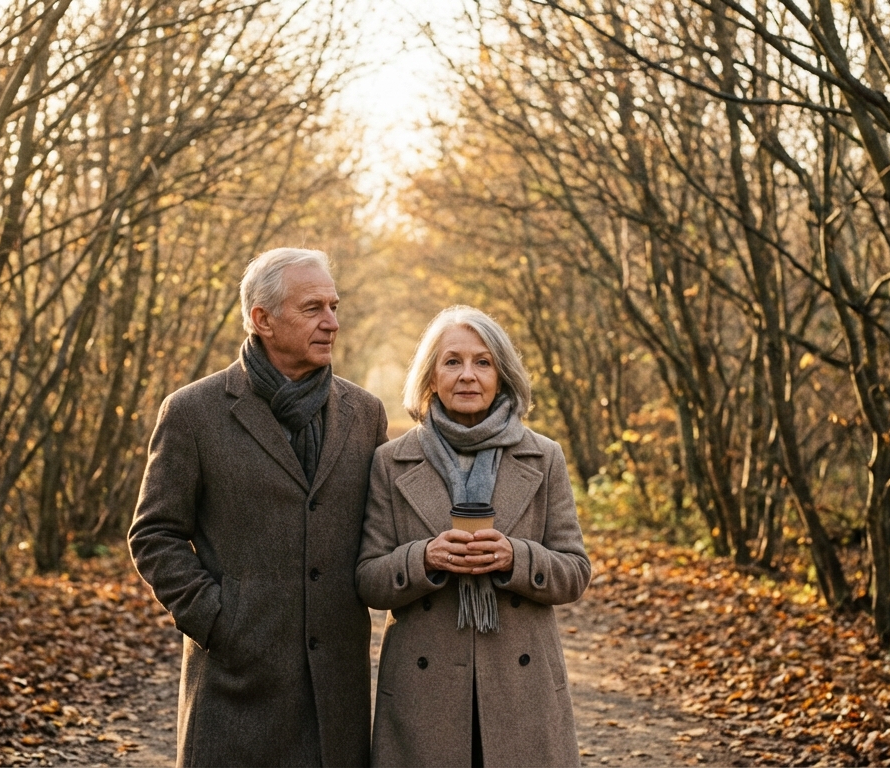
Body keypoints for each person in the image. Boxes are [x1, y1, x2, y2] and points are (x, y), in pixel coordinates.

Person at [128, 248, 388, 767]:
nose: (332, 322)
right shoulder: (193, 412)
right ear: (261, 319)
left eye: (334, 306)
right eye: (313, 308)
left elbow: (384, 528)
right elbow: (154, 534)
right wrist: (219, 621)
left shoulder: (364, 413)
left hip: (336, 688)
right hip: (234, 684)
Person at [356, 305, 590, 767]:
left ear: (502, 377)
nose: (468, 375)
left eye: (483, 362)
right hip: (425, 694)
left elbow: (575, 572)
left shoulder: (544, 457)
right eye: (452, 362)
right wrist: (423, 559)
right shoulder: (391, 460)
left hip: (522, 691)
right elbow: (368, 578)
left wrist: (515, 558)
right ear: (430, 378)